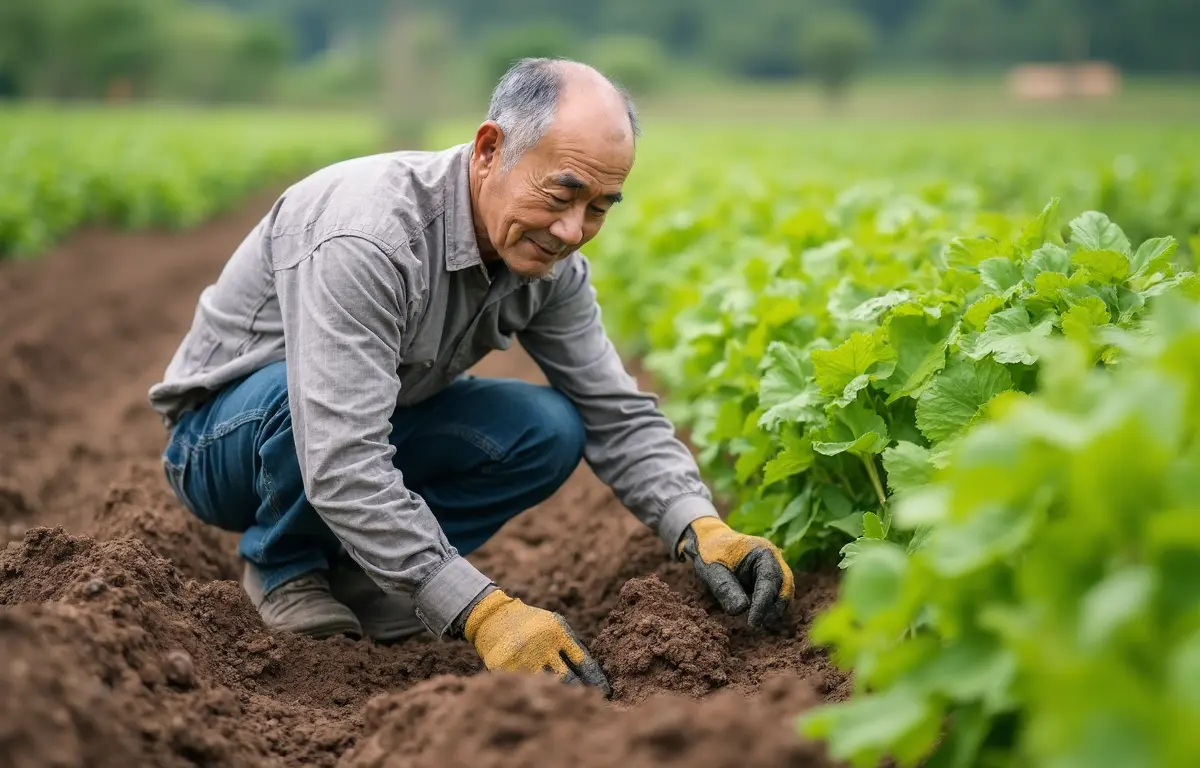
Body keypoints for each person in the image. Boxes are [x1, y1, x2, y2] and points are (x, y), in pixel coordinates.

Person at [148, 58, 793, 697]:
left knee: (548, 429)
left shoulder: (547, 263)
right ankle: (283, 564)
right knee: (312, 406)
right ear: (489, 151)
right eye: (561, 194)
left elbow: (612, 409)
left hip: (363, 422)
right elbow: (341, 453)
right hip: (222, 443)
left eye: (599, 207)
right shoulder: (370, 237)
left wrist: (699, 525)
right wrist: (482, 611)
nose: (572, 230)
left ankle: (363, 576)